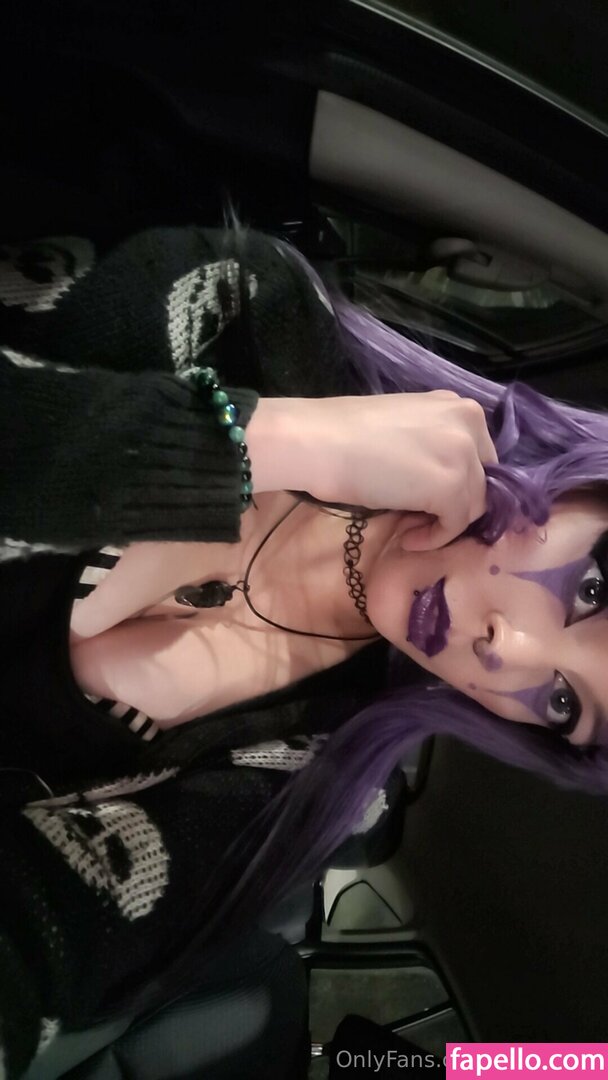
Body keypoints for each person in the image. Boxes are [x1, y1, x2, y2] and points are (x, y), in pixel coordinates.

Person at [0, 220, 607, 1077]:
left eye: (563, 703)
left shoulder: (311, 782)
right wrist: (255, 445)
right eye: (591, 591)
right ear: (588, 477)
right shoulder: (245, 309)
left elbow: (41, 943)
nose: (506, 648)